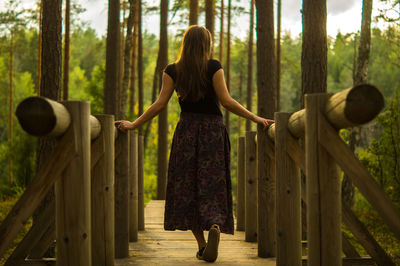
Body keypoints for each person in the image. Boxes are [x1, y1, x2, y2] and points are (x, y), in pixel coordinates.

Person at [115, 25, 273, 262]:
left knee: (187, 188)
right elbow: (227, 101)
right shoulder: (213, 67)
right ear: (206, 44)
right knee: (213, 184)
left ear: (185, 44)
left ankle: (202, 245)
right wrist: (256, 118)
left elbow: (159, 104)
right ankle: (215, 224)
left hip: (186, 132)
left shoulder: (172, 70)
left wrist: (134, 124)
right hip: (212, 133)